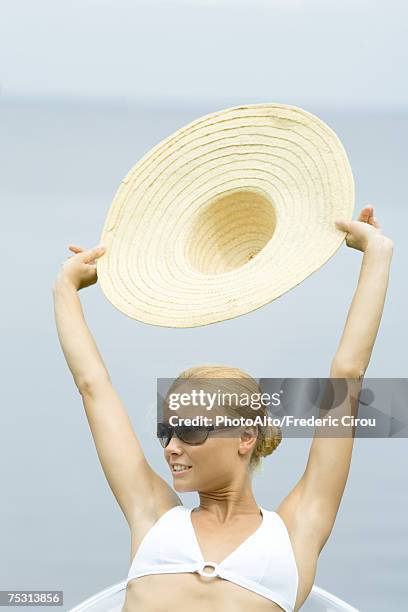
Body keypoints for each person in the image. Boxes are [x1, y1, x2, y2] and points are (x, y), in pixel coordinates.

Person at [52, 205, 393, 611]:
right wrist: (65, 288)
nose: (171, 447)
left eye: (191, 431)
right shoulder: (153, 515)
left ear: (245, 437)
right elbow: (93, 386)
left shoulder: (294, 532)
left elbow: (348, 373)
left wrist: (378, 253)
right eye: (167, 432)